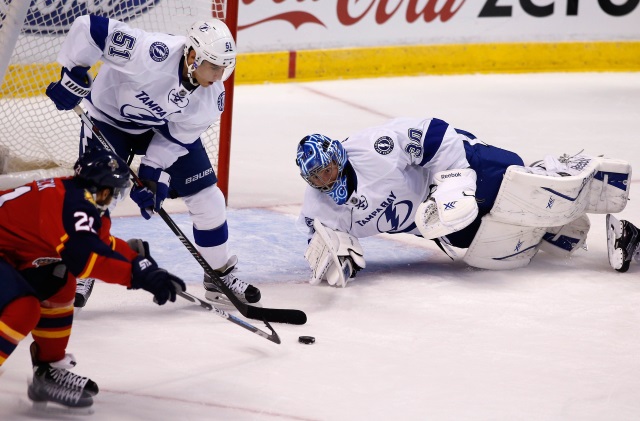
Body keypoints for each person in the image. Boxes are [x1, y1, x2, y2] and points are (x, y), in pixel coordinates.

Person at [44, 14, 260, 306]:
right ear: (193, 56)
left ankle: (218, 275)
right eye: (213, 67)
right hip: (108, 119)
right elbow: (90, 28)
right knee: (94, 196)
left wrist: (152, 174)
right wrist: (72, 73)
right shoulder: (150, 53)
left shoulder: (211, 98)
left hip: (158, 129)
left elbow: (176, 138)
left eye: (224, 68)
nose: (218, 76)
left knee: (208, 198)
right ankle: (83, 266)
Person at [294, 117, 632, 287]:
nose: (326, 181)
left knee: (513, 185)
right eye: (317, 178)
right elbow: (320, 245)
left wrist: (452, 183)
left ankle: (559, 173)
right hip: (431, 220)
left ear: (338, 155)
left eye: (328, 170)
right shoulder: (318, 209)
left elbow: (434, 132)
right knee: (493, 254)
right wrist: (334, 259)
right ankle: (557, 228)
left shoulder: (373, 147)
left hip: (452, 167)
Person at [0, 148, 185, 409]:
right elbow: (85, 261)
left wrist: (138, 263)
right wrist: (135, 276)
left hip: (10, 252)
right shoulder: (70, 205)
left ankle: (49, 372)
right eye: (115, 190)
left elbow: (103, 244)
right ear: (103, 188)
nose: (114, 197)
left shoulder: (80, 198)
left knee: (59, 282)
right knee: (22, 310)